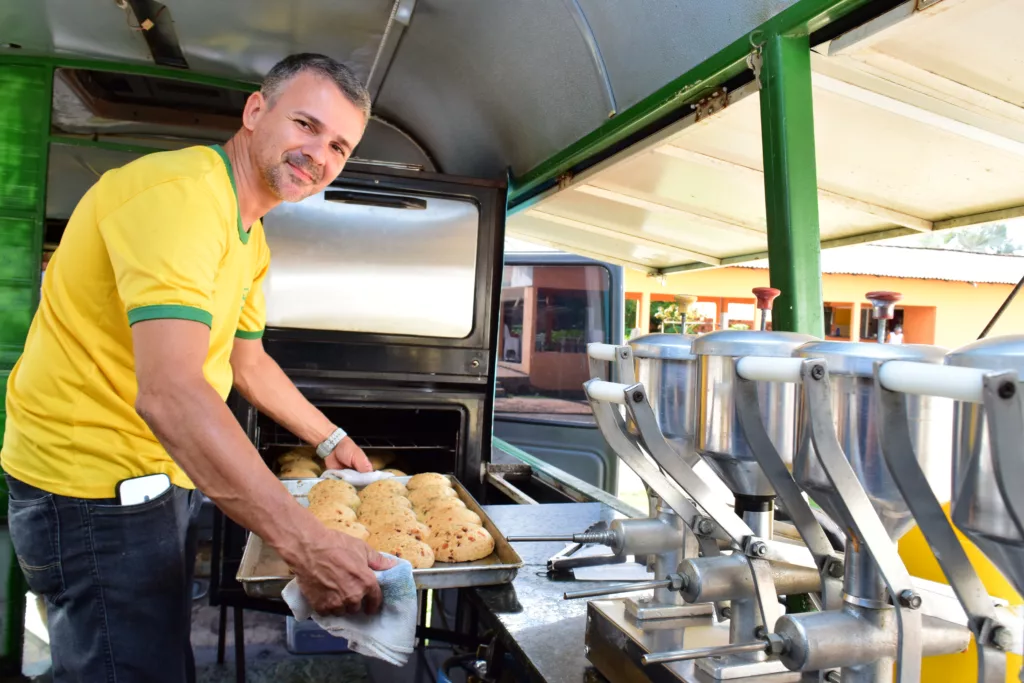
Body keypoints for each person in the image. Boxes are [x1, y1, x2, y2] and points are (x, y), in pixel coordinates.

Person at [1, 53, 396, 683]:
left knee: (153, 657)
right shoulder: (181, 198)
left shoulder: (250, 233)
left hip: (158, 476)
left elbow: (247, 360)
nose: (318, 154)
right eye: (305, 125)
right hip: (91, 488)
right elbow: (173, 392)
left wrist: (331, 438)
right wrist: (306, 544)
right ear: (255, 110)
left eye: (339, 147)